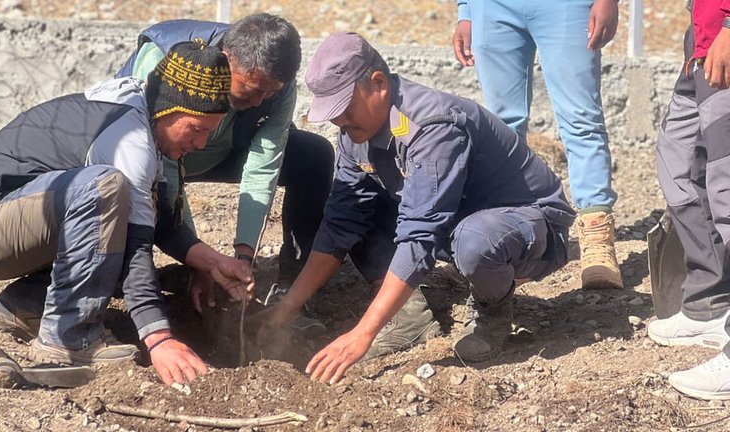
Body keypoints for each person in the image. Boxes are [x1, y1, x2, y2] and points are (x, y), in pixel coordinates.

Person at [254, 33, 576, 383]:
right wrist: (284, 311)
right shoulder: (355, 134)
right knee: (355, 208)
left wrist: (362, 334)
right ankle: (408, 316)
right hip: (453, 222)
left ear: (377, 84)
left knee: (475, 241)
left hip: (527, 225)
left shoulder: (433, 126)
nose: (339, 122)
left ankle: (493, 310)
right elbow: (339, 225)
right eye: (333, 115)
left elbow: (420, 236)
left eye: (344, 109)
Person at [0, 42, 252, 385]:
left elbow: (156, 223)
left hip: (9, 223)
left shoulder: (146, 117)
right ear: (169, 108)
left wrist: (209, 261)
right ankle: (68, 336)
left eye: (209, 132)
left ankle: (25, 305)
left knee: (112, 234)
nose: (200, 144)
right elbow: (137, 250)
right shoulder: (131, 137)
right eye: (196, 129)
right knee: (104, 188)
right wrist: (159, 339)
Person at [116, 14, 335, 324]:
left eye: (268, 93)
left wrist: (243, 260)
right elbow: (161, 167)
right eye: (250, 90)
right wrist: (201, 262)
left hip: (223, 149)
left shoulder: (276, 86)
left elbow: (263, 167)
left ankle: (294, 285)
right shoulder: (167, 62)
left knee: (314, 155)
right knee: (121, 193)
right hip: (152, 154)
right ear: (227, 60)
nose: (259, 101)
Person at [452, 0, 622, 290]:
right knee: (502, 127)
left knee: (581, 117)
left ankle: (596, 234)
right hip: (492, 8)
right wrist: (466, 10)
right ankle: (509, 237)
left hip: (566, 7)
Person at [648, 0, 730, 400]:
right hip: (703, 35)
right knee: (678, 162)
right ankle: (708, 306)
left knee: (727, 187)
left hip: (726, 33)